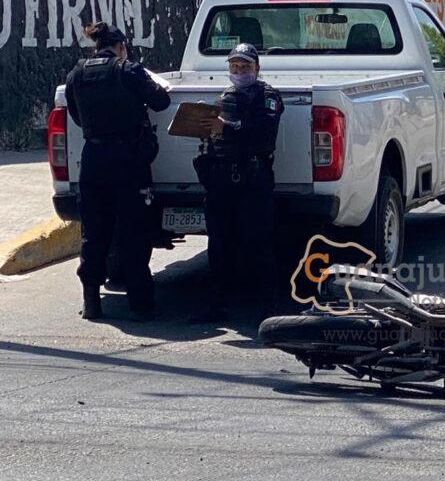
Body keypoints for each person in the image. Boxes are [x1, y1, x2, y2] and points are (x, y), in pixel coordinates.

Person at [65, 22, 171, 321]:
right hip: (128, 160)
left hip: (93, 159)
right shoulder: (128, 70)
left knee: (94, 232)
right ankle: (140, 305)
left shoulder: (77, 74)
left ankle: (91, 301)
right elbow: (161, 102)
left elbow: (76, 116)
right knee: (133, 231)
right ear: (121, 47)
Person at [191, 42, 283, 322]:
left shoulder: (268, 96)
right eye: (235, 66)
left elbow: (263, 131)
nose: (240, 71)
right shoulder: (225, 96)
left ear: (257, 68)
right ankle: (216, 305)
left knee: (258, 242)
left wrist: (226, 127)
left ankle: (268, 307)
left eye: (245, 66)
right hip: (221, 179)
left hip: (253, 178)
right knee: (219, 243)